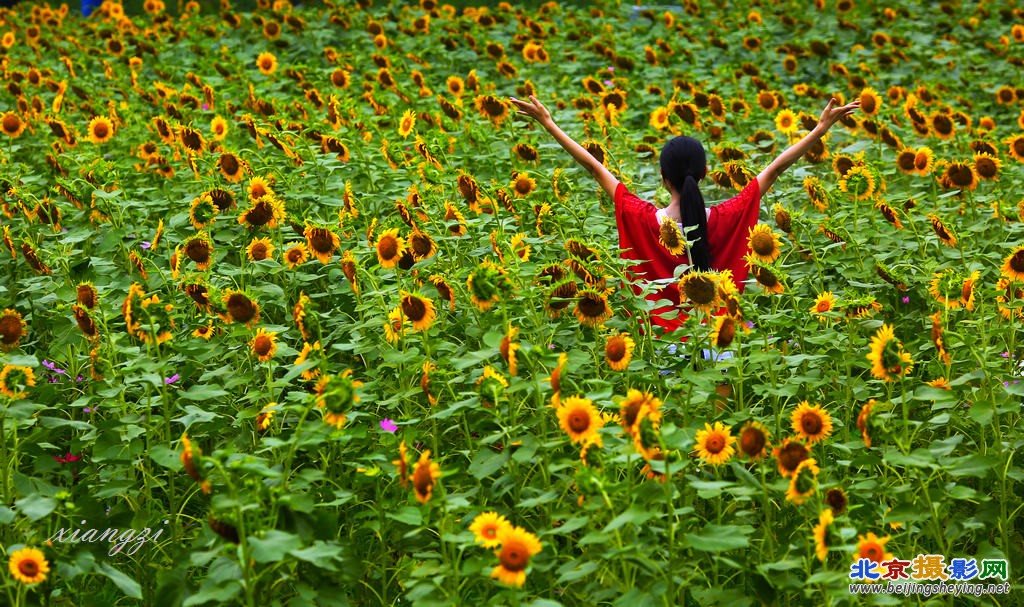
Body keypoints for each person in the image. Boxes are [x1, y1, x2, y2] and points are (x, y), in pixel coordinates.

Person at [509, 94, 860, 334]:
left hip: (662, 343)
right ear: (706, 172)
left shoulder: (643, 218)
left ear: (664, 179)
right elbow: (775, 169)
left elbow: (593, 165)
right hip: (718, 338)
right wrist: (820, 129)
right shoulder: (726, 216)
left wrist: (549, 123)